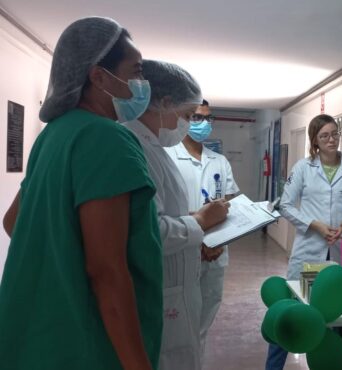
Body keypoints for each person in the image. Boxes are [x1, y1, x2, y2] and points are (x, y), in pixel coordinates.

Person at [0, 17, 162, 369]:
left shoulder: (53, 135)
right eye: (134, 72)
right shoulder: (107, 139)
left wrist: (59, 269)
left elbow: (13, 222)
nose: (140, 85)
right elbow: (106, 270)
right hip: (87, 344)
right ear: (99, 77)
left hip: (37, 333)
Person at [122, 60, 230, 370]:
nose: (187, 124)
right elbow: (143, 231)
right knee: (169, 357)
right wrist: (199, 222)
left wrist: (198, 219)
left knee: (186, 348)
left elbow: (160, 212)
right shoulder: (134, 146)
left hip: (179, 280)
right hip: (164, 284)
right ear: (165, 103)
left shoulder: (152, 146)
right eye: (186, 115)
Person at [267, 114, 342, 369]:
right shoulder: (303, 168)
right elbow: (286, 205)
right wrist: (315, 225)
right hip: (309, 253)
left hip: (335, 254)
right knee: (291, 313)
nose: (331, 139)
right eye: (324, 135)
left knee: (333, 316)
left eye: (335, 133)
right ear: (314, 141)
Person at [166, 99, 240, 362]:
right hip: (181, 251)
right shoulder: (167, 156)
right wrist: (199, 239)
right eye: (197, 118)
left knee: (202, 325)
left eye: (208, 118)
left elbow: (230, 204)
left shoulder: (219, 161)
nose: (204, 123)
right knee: (176, 328)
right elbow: (165, 213)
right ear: (184, 118)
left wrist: (216, 241)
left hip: (216, 252)